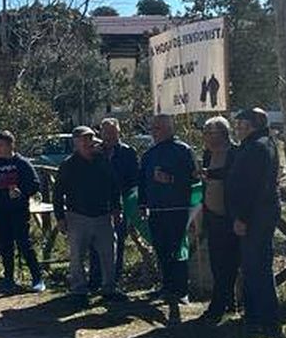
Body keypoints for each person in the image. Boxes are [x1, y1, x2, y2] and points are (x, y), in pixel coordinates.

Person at [225, 107, 281, 333]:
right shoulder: (262, 144)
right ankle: (259, 314)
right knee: (256, 265)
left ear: (251, 126)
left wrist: (241, 217)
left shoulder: (256, 147)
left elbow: (250, 187)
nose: (237, 130)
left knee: (255, 266)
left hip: (255, 215)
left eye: (240, 126)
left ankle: (261, 316)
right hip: (260, 213)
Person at [51, 126, 122, 301]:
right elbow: (58, 193)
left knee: (108, 253)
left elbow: (113, 185)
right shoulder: (68, 165)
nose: (87, 142)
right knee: (77, 256)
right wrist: (60, 217)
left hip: (103, 215)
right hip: (77, 216)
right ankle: (79, 290)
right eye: (83, 139)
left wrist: (116, 208)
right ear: (75, 143)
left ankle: (109, 288)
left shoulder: (102, 160)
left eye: (90, 138)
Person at [140, 113, 198, 319]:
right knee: (161, 249)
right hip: (156, 210)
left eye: (157, 129)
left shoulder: (183, 150)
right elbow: (142, 181)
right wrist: (142, 203)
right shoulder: (149, 154)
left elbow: (194, 178)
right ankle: (167, 286)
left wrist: (171, 179)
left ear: (168, 129)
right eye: (152, 129)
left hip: (177, 209)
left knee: (177, 250)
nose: (153, 133)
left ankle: (181, 290)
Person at [0, 131, 43, 291]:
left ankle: (37, 278)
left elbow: (35, 184)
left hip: (19, 212)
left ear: (10, 145)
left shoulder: (22, 163)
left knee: (24, 244)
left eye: (1, 145)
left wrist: (22, 191)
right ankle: (8, 279)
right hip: (0, 214)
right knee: (5, 247)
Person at [194, 116, 240, 321]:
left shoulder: (235, 153)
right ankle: (225, 301)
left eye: (210, 133)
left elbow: (232, 177)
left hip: (230, 215)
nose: (206, 138)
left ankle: (221, 305)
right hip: (211, 214)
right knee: (216, 262)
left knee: (230, 262)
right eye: (205, 133)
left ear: (223, 133)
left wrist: (210, 174)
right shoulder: (207, 154)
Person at [95, 117, 141, 286]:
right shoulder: (95, 152)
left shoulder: (128, 152)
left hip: (120, 202)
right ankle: (96, 279)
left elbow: (134, 178)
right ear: (101, 133)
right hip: (98, 204)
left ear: (119, 133)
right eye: (106, 133)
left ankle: (115, 280)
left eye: (113, 133)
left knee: (118, 241)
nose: (110, 137)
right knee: (96, 244)